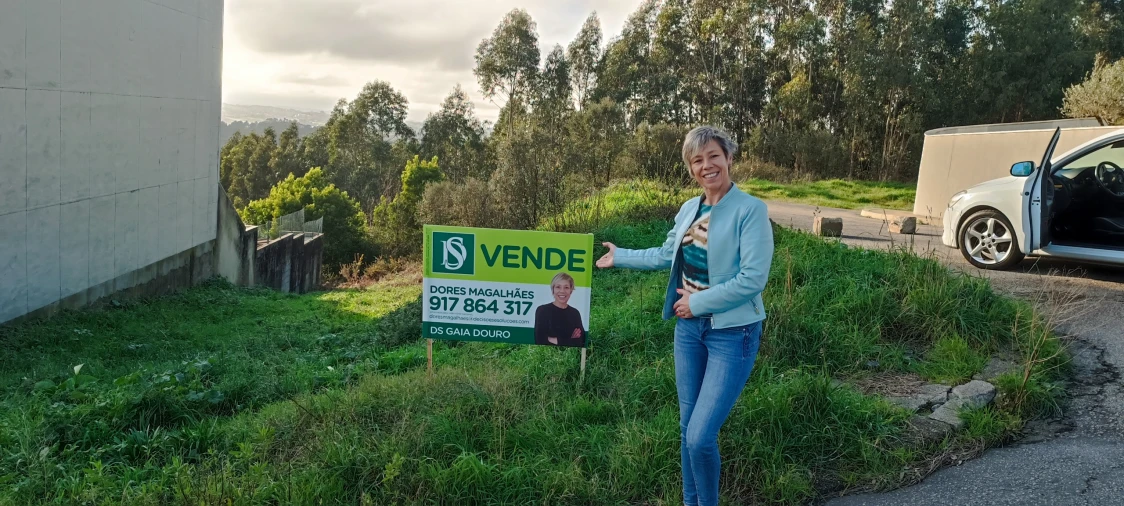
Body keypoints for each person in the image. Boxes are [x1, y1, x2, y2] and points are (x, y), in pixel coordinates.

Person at [595, 126, 773, 506]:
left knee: (700, 436)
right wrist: (621, 255)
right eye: (697, 160)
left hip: (733, 332)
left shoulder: (750, 210)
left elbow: (752, 280)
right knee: (686, 429)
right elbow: (664, 254)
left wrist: (698, 302)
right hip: (689, 332)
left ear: (728, 158)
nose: (706, 166)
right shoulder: (690, 209)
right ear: (691, 168)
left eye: (713, 156)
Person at [533, 272, 586, 347]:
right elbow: (540, 340)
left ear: (571, 290)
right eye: (558, 287)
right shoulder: (542, 311)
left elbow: (580, 341)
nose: (562, 291)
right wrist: (570, 340)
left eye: (566, 287)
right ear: (553, 290)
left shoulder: (575, 313)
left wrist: (554, 340)